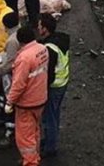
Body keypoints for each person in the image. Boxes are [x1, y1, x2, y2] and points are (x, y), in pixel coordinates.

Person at [5, 26, 49, 166]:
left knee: (24, 137)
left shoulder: (24, 58)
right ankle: (34, 156)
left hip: (27, 103)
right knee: (35, 131)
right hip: (40, 98)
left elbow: (18, 84)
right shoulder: (42, 49)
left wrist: (9, 102)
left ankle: (31, 162)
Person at [38, 14, 70, 158]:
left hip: (54, 86)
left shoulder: (49, 49)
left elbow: (48, 74)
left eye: (40, 26)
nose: (38, 28)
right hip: (62, 82)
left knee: (49, 117)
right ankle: (51, 140)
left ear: (45, 29)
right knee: (54, 115)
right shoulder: (61, 40)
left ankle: (50, 147)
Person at [0, 12, 21, 150]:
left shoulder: (11, 40)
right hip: (17, 75)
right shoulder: (20, 33)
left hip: (11, 77)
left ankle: (9, 133)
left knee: (9, 102)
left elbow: (10, 62)